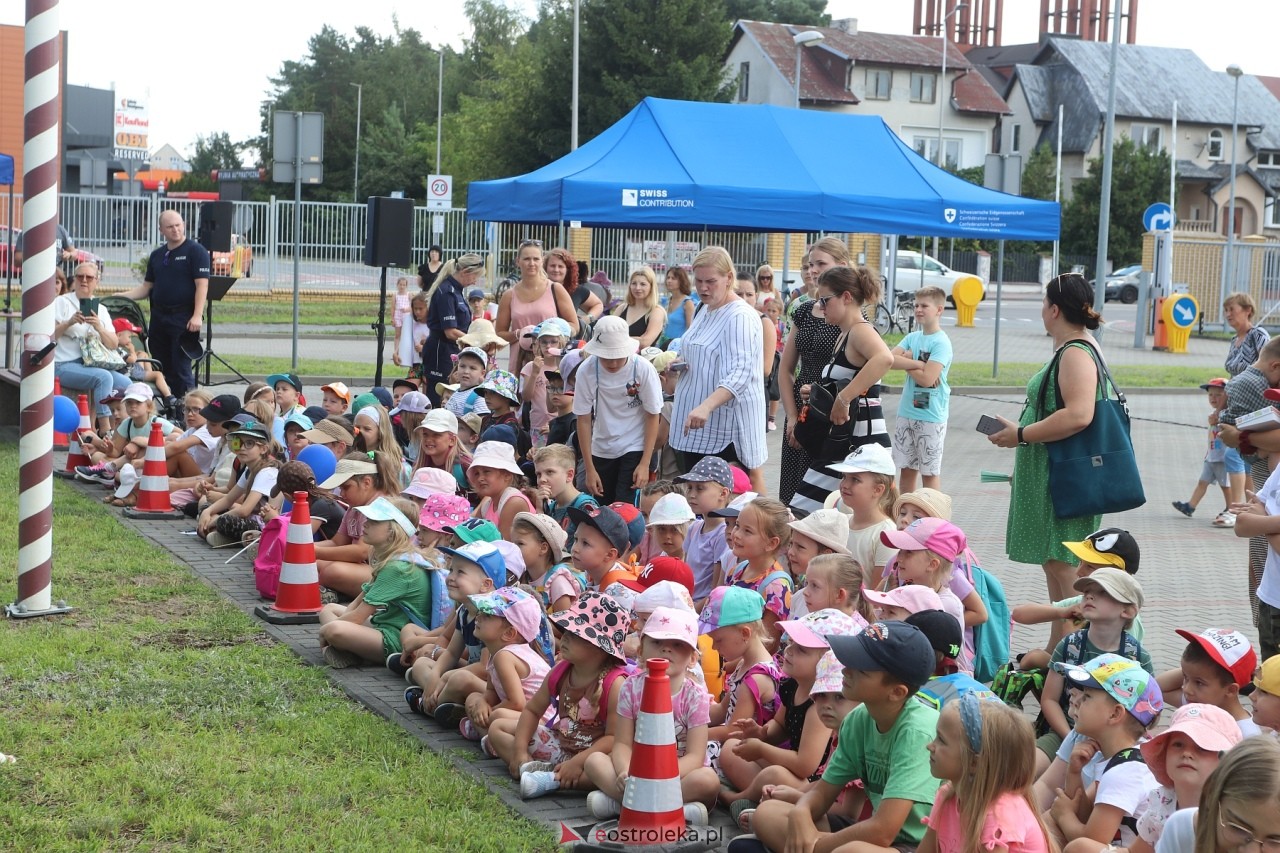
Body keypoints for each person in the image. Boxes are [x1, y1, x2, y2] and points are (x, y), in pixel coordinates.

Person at [741, 621, 941, 853]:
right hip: (867, 834)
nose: (845, 670)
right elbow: (822, 793)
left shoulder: (918, 733)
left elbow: (883, 831)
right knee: (768, 813)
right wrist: (801, 813)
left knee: (850, 851)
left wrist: (817, 844)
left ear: (896, 692)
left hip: (915, 846)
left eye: (861, 668)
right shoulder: (858, 720)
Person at [988, 272, 1107, 629]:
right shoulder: (1072, 347)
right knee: (1054, 561)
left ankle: (1081, 649)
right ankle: (1059, 653)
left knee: (1064, 562)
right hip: (1054, 470)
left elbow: (1079, 414)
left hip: (1064, 474)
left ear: (1054, 309)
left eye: (1043, 303)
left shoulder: (1075, 351)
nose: (1042, 310)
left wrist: (1022, 434)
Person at [583, 606, 719, 823]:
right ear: (640, 651)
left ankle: (624, 805)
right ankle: (673, 811)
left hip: (678, 776)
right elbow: (622, 744)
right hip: (637, 772)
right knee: (594, 761)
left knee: (707, 780)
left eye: (677, 644)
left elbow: (695, 756)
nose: (666, 650)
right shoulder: (630, 688)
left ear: (693, 658)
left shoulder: (696, 696)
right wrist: (627, 772)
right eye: (657, 642)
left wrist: (659, 777)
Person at [488, 591, 630, 800]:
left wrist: (577, 763)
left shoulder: (615, 684)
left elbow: (613, 739)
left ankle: (552, 780)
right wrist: (519, 750)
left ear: (599, 647)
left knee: (601, 769)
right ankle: (539, 769)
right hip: (561, 744)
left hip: (592, 756)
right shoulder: (561, 670)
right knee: (497, 729)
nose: (564, 639)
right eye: (566, 631)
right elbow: (532, 710)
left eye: (574, 635)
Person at [790, 264, 894, 518]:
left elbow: (885, 358)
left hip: (863, 444)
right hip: (844, 442)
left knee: (807, 515)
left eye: (825, 300)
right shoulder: (845, 334)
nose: (821, 307)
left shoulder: (860, 330)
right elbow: (849, 378)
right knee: (811, 517)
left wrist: (843, 399)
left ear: (846, 297)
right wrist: (818, 393)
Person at [669, 247, 767, 495]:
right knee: (700, 500)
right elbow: (703, 350)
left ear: (729, 279)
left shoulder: (739, 316)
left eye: (711, 281)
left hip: (725, 429)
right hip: (699, 426)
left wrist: (706, 406)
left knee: (726, 503)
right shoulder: (705, 308)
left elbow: (741, 372)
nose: (703, 288)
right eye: (698, 281)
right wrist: (681, 362)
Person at [1046, 655, 1164, 850]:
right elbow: (1085, 815)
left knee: (1076, 845)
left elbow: (1093, 840)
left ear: (1115, 713)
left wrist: (1065, 817)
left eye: (1088, 696)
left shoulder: (1125, 772)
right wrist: (1074, 772)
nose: (1077, 702)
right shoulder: (1121, 759)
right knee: (1049, 821)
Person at [317, 497, 432, 668]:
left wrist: (325, 633)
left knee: (334, 630)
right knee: (329, 610)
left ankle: (358, 654)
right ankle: (354, 652)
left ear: (393, 531)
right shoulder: (395, 558)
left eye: (374, 521)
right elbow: (356, 604)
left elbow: (357, 617)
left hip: (398, 639)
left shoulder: (398, 568)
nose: (365, 523)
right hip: (385, 625)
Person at [777, 240, 846, 505]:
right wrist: (792, 416)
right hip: (800, 408)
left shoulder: (850, 313)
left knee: (822, 500)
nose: (813, 270)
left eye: (821, 264)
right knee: (791, 495)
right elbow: (785, 368)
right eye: (810, 264)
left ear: (841, 266)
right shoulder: (804, 310)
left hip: (828, 411)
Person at [118, 210, 209, 397]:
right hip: (159, 318)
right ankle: (168, 406)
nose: (175, 230)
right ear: (161, 230)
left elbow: (202, 285)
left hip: (184, 318)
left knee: (181, 368)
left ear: (184, 225)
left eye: (178, 225)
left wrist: (197, 315)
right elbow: (146, 288)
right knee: (161, 364)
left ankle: (187, 409)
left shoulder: (196, 251)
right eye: (170, 227)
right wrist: (120, 296)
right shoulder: (157, 255)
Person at [572, 316, 663, 503]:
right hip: (601, 445)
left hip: (635, 444)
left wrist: (645, 463)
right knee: (602, 505)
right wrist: (589, 468)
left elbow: (653, 415)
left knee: (625, 504)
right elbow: (583, 418)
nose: (612, 363)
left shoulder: (643, 368)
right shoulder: (587, 370)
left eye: (617, 357)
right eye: (606, 357)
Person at [1152, 737, 1280, 853]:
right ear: (1211, 798)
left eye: (1275, 841)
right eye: (1238, 829)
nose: (1252, 851)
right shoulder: (1182, 830)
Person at [53, 262, 130, 433]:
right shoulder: (61, 302)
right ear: (74, 280)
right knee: (103, 378)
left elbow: (113, 344)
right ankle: (104, 429)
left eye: (89, 277)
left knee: (127, 384)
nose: (84, 281)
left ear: (97, 281)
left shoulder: (101, 309)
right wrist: (68, 323)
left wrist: (99, 328)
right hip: (63, 364)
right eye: (80, 276)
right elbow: (49, 336)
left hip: (92, 364)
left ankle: (126, 429)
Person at [889, 285, 953, 492]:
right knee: (907, 470)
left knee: (929, 473)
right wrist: (917, 364)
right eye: (916, 305)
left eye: (924, 305)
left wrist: (908, 361)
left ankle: (933, 520)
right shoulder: (912, 338)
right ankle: (906, 518)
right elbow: (889, 359)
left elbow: (927, 379)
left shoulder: (941, 343)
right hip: (906, 413)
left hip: (930, 417)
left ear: (939, 310)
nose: (918, 309)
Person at [494, 240, 579, 370]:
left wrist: (554, 331)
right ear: (518, 261)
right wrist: (519, 333)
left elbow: (574, 326)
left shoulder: (555, 289)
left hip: (551, 364)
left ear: (542, 261)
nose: (531, 263)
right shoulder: (509, 295)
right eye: (527, 259)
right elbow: (499, 334)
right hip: (520, 364)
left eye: (535, 259)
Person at [1172, 378, 1237, 527]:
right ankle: (1190, 506)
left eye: (1218, 395)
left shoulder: (1228, 414)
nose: (1213, 398)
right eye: (1210, 395)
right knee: (1203, 482)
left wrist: (1218, 422)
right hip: (1211, 456)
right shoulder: (1214, 413)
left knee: (1225, 485)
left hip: (1222, 458)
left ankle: (1230, 507)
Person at [422, 253, 482, 407]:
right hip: (440, 351)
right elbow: (450, 331)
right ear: (465, 272)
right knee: (439, 398)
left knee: (454, 396)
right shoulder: (446, 292)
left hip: (453, 349)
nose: (476, 281)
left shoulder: (456, 291)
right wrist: (476, 343)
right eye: (475, 276)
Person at [612, 266, 666, 349]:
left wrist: (614, 339)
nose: (637, 288)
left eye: (643, 284)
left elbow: (645, 342)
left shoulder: (656, 312)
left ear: (651, 287)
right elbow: (607, 330)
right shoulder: (622, 308)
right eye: (634, 283)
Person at [545, 246, 602, 326]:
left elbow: (598, 304)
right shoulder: (538, 289)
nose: (556, 270)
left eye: (560, 266)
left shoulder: (575, 290)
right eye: (552, 266)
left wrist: (588, 318)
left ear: (567, 270)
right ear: (545, 267)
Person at [661, 267, 694, 349]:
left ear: (681, 281)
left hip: (677, 347)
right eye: (668, 278)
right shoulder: (667, 301)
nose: (669, 281)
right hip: (664, 344)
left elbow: (690, 330)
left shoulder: (687, 303)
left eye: (673, 278)